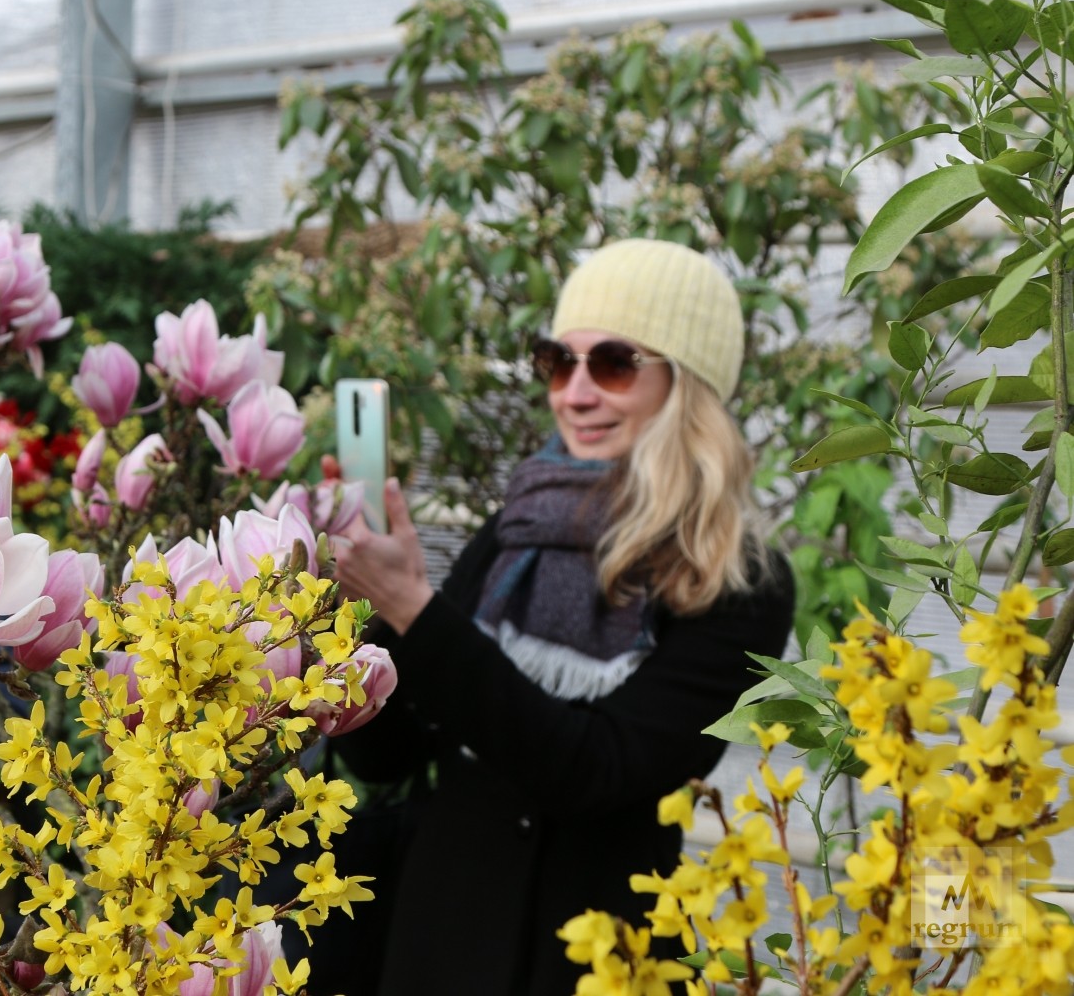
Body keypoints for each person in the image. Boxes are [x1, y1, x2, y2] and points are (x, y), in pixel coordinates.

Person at [331, 238, 795, 995]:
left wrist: (416, 610)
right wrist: (365, 619)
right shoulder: (520, 527)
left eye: (612, 363)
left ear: (688, 388)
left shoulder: (738, 579)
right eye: (557, 361)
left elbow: (597, 772)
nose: (573, 393)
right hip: (433, 944)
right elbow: (391, 757)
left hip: (596, 962)